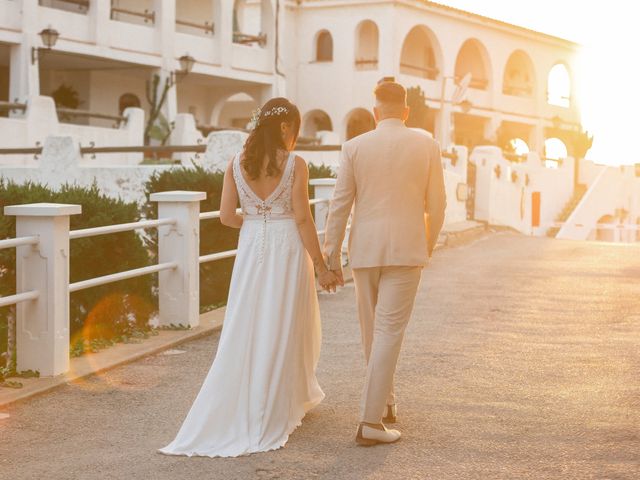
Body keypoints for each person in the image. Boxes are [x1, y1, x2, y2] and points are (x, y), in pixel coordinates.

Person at [159, 97, 337, 458]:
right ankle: (280, 401)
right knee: (285, 322)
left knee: (248, 321)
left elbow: (226, 216)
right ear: (286, 127)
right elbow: (303, 219)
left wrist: (257, 222)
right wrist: (321, 264)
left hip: (252, 243)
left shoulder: (236, 164)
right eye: (296, 129)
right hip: (287, 248)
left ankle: (251, 398)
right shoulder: (296, 164)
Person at [323, 80, 446, 445]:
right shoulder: (427, 143)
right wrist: (427, 244)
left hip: (364, 251)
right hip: (407, 249)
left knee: (372, 333)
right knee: (390, 332)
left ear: (375, 111)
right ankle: (370, 421)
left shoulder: (354, 146)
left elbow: (339, 205)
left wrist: (332, 254)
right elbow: (437, 205)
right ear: (406, 111)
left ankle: (386, 402)